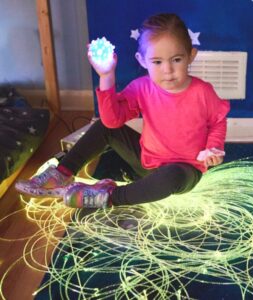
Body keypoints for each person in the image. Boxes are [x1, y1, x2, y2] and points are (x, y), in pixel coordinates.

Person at [15, 13, 230, 209]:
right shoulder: (142, 87)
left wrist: (213, 148)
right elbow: (111, 121)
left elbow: (217, 121)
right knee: (103, 127)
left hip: (184, 171)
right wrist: (106, 77)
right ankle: (62, 173)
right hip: (147, 161)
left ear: (191, 55)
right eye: (157, 62)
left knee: (169, 178)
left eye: (177, 59)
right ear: (142, 61)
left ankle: (109, 196)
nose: (168, 70)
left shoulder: (202, 91)